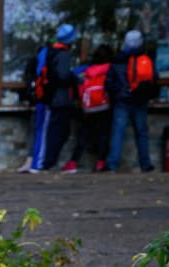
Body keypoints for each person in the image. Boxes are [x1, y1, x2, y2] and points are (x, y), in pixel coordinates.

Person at [105, 30, 159, 172]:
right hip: (140, 100)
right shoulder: (146, 59)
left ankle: (112, 165)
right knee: (141, 133)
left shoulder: (118, 60)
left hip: (122, 101)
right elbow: (154, 79)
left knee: (118, 132)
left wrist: (119, 92)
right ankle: (145, 164)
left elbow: (109, 82)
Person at [63, 44, 114, 173]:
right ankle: (101, 162)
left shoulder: (87, 71)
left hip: (89, 107)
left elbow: (78, 85)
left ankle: (73, 162)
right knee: (104, 134)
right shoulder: (110, 69)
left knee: (84, 135)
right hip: (105, 106)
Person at [40, 24, 79, 171]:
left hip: (53, 97)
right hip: (62, 98)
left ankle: (49, 161)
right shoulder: (63, 54)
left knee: (55, 130)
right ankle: (50, 162)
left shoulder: (51, 52)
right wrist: (75, 79)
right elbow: (63, 76)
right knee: (60, 131)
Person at [18, 44, 49, 173]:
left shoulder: (35, 62)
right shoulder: (44, 62)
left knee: (36, 132)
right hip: (43, 102)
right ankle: (35, 162)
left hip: (36, 102)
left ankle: (32, 161)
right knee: (40, 133)